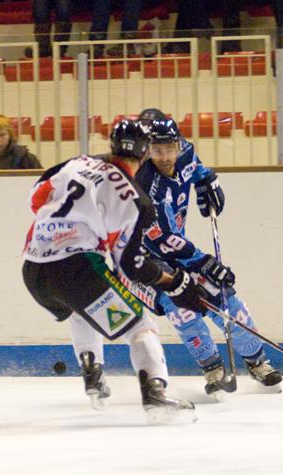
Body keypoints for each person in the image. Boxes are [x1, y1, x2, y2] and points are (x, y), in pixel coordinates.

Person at [22, 120, 206, 422]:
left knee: (80, 307)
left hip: (33, 270)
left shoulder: (76, 163)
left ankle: (92, 372)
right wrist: (174, 282)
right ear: (145, 152)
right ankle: (155, 394)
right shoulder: (135, 199)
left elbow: (36, 197)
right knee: (141, 326)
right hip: (76, 270)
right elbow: (132, 266)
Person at [135, 110, 282, 394]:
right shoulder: (146, 186)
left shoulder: (186, 152)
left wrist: (206, 179)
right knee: (181, 308)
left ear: (178, 144)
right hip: (144, 260)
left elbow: (196, 169)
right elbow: (161, 240)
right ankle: (213, 367)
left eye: (169, 149)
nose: (164, 157)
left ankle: (257, 361)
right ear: (147, 150)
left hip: (177, 248)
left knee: (224, 295)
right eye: (157, 150)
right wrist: (203, 262)